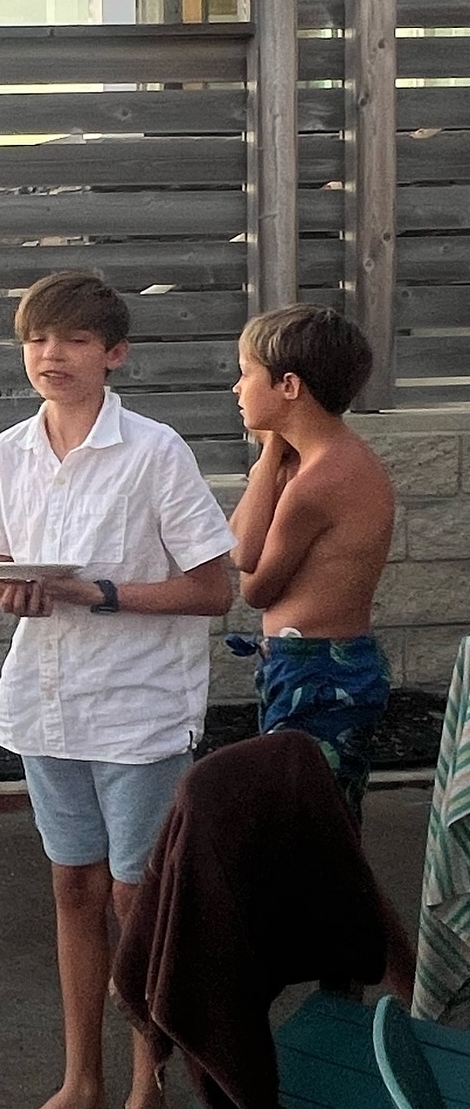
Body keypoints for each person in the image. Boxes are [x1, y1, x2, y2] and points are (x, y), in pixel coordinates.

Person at [0, 271, 234, 1109]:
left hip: (138, 714)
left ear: (114, 355)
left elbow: (214, 589)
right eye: (38, 338)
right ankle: (82, 1087)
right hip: (47, 705)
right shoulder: (10, 451)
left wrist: (101, 593)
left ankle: (146, 1105)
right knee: (73, 889)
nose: (53, 355)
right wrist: (12, 587)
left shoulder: (155, 452)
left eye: (75, 340)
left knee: (137, 906)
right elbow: (2, 560)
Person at [227, 304, 396, 819]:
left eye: (246, 373)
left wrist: (269, 457)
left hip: (320, 672)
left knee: (307, 827)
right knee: (311, 822)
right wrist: (273, 453)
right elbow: (236, 538)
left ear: (289, 386)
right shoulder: (317, 462)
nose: (237, 388)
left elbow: (251, 577)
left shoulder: (318, 483)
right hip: (306, 662)